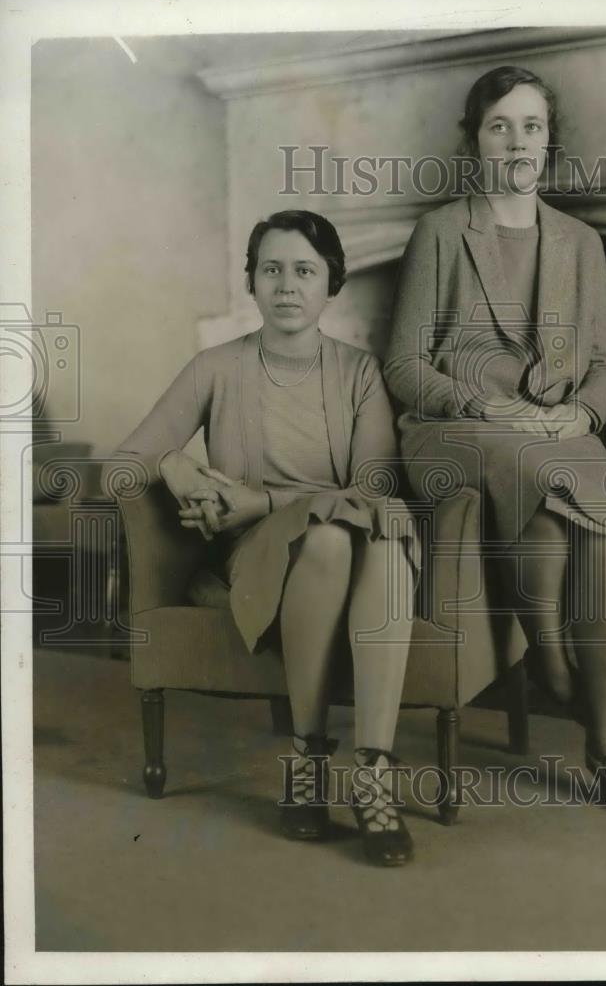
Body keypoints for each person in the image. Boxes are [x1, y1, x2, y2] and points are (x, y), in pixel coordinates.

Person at [385, 65, 606, 814]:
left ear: (548, 142)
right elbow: (404, 364)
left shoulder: (580, 243)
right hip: (452, 429)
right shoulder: (441, 231)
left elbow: (604, 363)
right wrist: (478, 400)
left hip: (554, 430)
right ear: (475, 140)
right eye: (499, 124)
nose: (516, 140)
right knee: (539, 469)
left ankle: (602, 736)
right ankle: (558, 669)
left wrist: (584, 415)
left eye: (531, 126)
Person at [114, 210, 419, 863]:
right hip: (258, 558)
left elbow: (373, 486)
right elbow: (123, 465)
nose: (287, 285)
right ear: (251, 281)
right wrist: (172, 461)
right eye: (271, 269)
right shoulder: (216, 367)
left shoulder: (360, 374)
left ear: (331, 283)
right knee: (333, 538)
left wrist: (262, 499)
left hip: (348, 549)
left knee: (382, 539)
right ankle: (307, 761)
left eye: (304, 271)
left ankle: (373, 774)